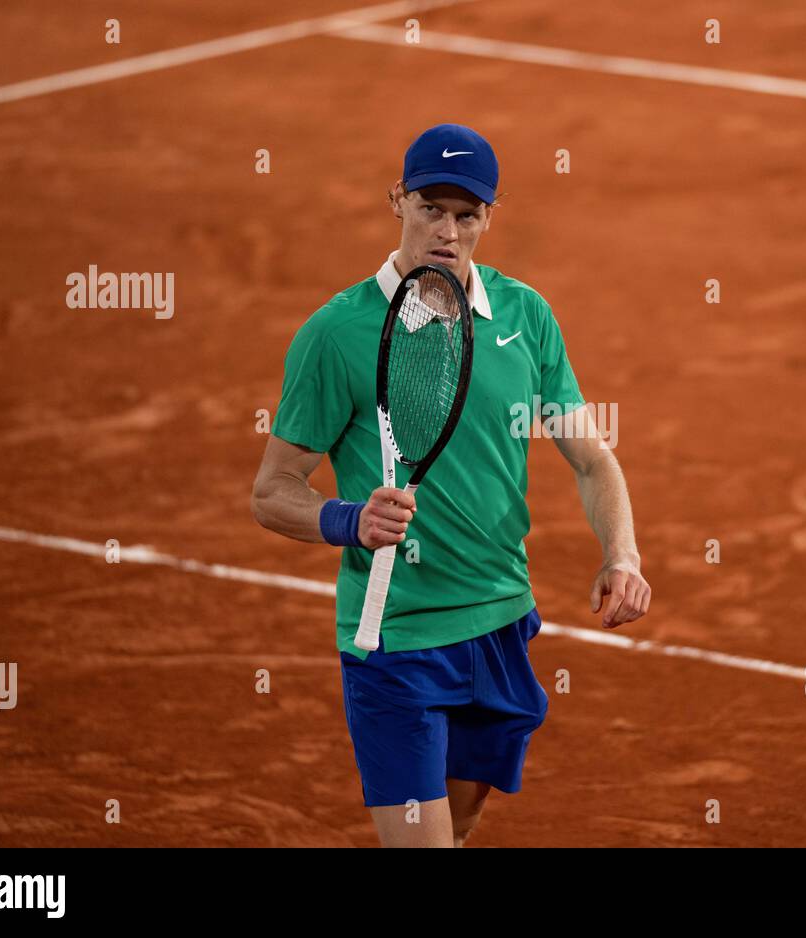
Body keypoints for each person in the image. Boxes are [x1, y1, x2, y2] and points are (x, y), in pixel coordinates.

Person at [251, 123, 650, 847]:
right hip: (396, 640)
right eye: (430, 207)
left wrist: (621, 554)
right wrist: (348, 521)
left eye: (467, 215)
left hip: (500, 622)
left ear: (489, 217)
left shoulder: (526, 316)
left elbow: (592, 460)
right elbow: (273, 489)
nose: (448, 229)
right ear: (396, 200)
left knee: (457, 832)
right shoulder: (336, 334)